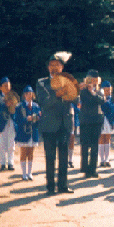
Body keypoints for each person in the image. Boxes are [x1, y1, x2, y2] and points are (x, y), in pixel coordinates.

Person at [36, 52, 77, 195]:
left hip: (65, 123)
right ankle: (50, 187)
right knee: (50, 157)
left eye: (57, 65)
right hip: (49, 125)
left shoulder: (69, 80)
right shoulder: (42, 82)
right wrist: (57, 94)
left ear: (62, 68)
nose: (54, 68)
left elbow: (76, 101)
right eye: (52, 65)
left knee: (64, 157)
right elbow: (43, 102)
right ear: (48, 68)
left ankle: (63, 186)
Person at [79, 69, 105, 178]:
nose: (93, 82)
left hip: (96, 121)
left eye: (95, 80)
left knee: (95, 146)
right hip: (85, 120)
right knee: (85, 145)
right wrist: (90, 93)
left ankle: (93, 169)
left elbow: (102, 101)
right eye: (91, 80)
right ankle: (85, 168)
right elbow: (86, 101)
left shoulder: (100, 90)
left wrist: (93, 93)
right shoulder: (83, 90)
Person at [14, 86, 41, 180]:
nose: (29, 95)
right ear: (24, 95)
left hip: (33, 132)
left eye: (30, 93)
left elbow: (39, 118)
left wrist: (37, 118)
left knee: (31, 153)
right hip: (23, 132)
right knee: (23, 152)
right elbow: (16, 120)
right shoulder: (19, 106)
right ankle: (24, 173)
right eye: (27, 93)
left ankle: (29, 173)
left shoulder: (36, 106)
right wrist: (26, 119)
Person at [0, 77, 16, 171]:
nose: (7, 88)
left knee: (11, 143)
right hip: (1, 123)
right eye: (5, 86)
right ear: (0, 88)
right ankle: (2, 163)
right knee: (1, 144)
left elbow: (16, 110)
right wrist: (5, 105)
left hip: (11, 121)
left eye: (8, 86)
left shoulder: (13, 96)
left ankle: (11, 163)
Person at [99, 80, 114, 168]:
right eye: (106, 90)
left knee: (108, 138)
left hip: (109, 120)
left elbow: (113, 109)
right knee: (101, 139)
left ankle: (107, 159)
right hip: (102, 120)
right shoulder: (100, 97)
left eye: (109, 90)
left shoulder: (112, 98)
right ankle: (102, 159)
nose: (108, 91)